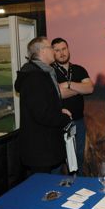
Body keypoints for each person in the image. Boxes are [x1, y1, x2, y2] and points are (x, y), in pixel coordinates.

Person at [14, 37, 72, 176]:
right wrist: (64, 118)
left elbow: (43, 105)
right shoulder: (35, 77)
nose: (54, 51)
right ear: (41, 51)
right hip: (40, 149)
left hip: (45, 146)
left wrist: (59, 110)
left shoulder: (42, 73)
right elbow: (42, 114)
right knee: (44, 192)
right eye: (51, 48)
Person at [51, 37, 94, 175]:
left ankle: (78, 186)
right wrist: (78, 88)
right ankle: (55, 190)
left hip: (78, 122)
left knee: (78, 157)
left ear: (68, 49)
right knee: (57, 159)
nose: (61, 53)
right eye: (57, 50)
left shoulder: (79, 69)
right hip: (58, 124)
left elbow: (89, 89)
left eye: (64, 49)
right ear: (53, 53)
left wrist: (68, 85)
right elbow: (58, 94)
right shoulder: (50, 72)